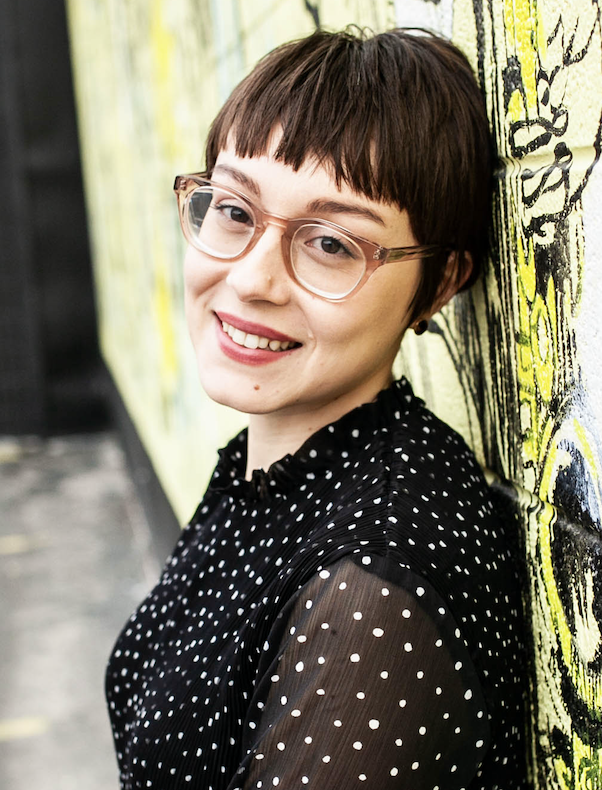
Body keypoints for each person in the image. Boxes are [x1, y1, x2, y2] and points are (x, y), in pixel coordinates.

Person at [106, 27, 529, 789]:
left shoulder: (374, 591)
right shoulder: (281, 465)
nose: (252, 279)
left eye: (331, 243)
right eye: (234, 210)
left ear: (439, 284)